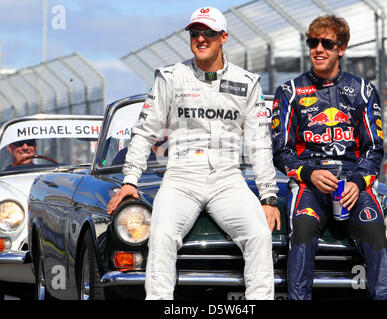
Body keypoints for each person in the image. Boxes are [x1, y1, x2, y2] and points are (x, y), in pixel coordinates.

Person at [107, 6, 281, 300]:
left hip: (228, 178)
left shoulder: (247, 82)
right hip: (181, 177)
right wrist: (130, 180)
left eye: (209, 33)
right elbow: (145, 131)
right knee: (160, 236)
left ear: (223, 37)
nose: (201, 39)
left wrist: (268, 196)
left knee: (259, 235)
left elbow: (259, 143)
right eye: (195, 33)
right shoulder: (171, 77)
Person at [271, 15, 387, 300]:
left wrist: (357, 182)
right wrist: (310, 174)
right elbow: (281, 152)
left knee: (378, 235)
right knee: (301, 235)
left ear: (341, 48)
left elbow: (374, 148)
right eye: (312, 42)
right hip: (310, 186)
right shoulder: (288, 92)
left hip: (352, 185)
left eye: (327, 43)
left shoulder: (364, 91)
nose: (318, 49)